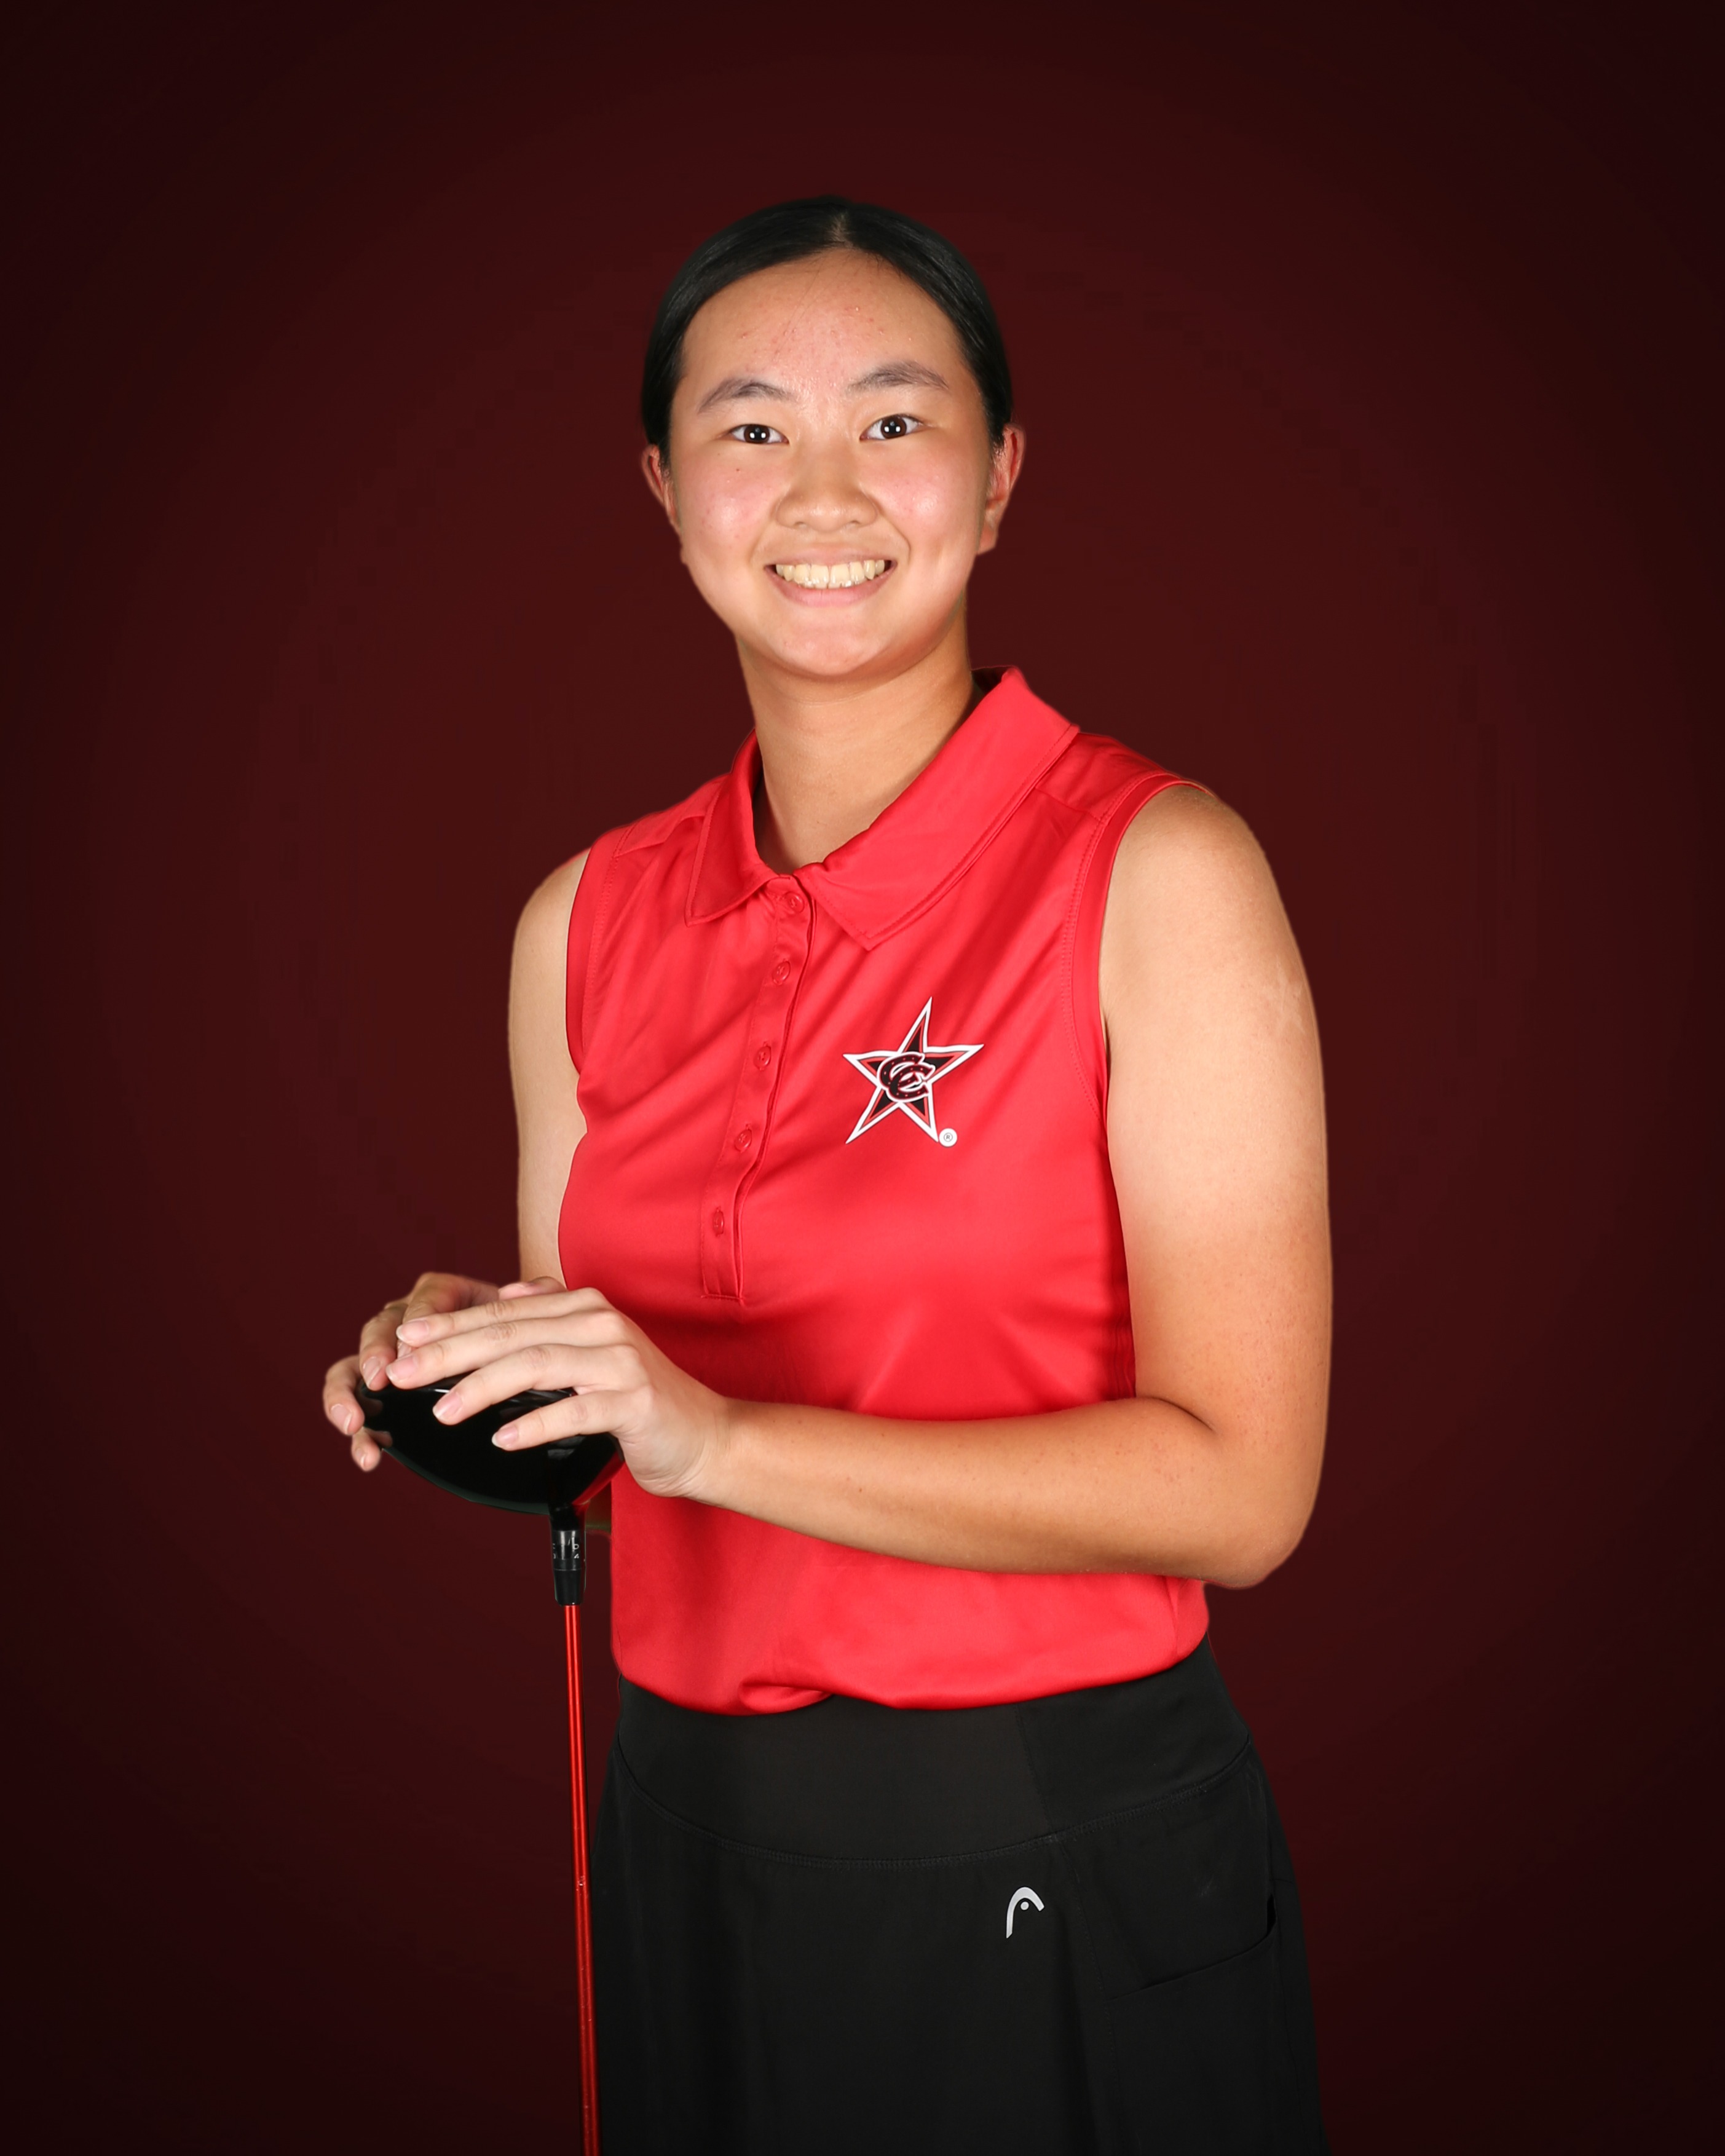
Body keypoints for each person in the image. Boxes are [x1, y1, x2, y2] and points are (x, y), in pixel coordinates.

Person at [325, 197, 1331, 2154]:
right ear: (664, 487)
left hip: (1050, 1840)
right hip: (685, 1828)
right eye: (750, 426)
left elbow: (1246, 1488)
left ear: (1001, 473)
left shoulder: (1159, 872)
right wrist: (469, 1359)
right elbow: (614, 1407)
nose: (823, 490)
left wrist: (713, 1437)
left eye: (893, 418)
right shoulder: (580, 919)